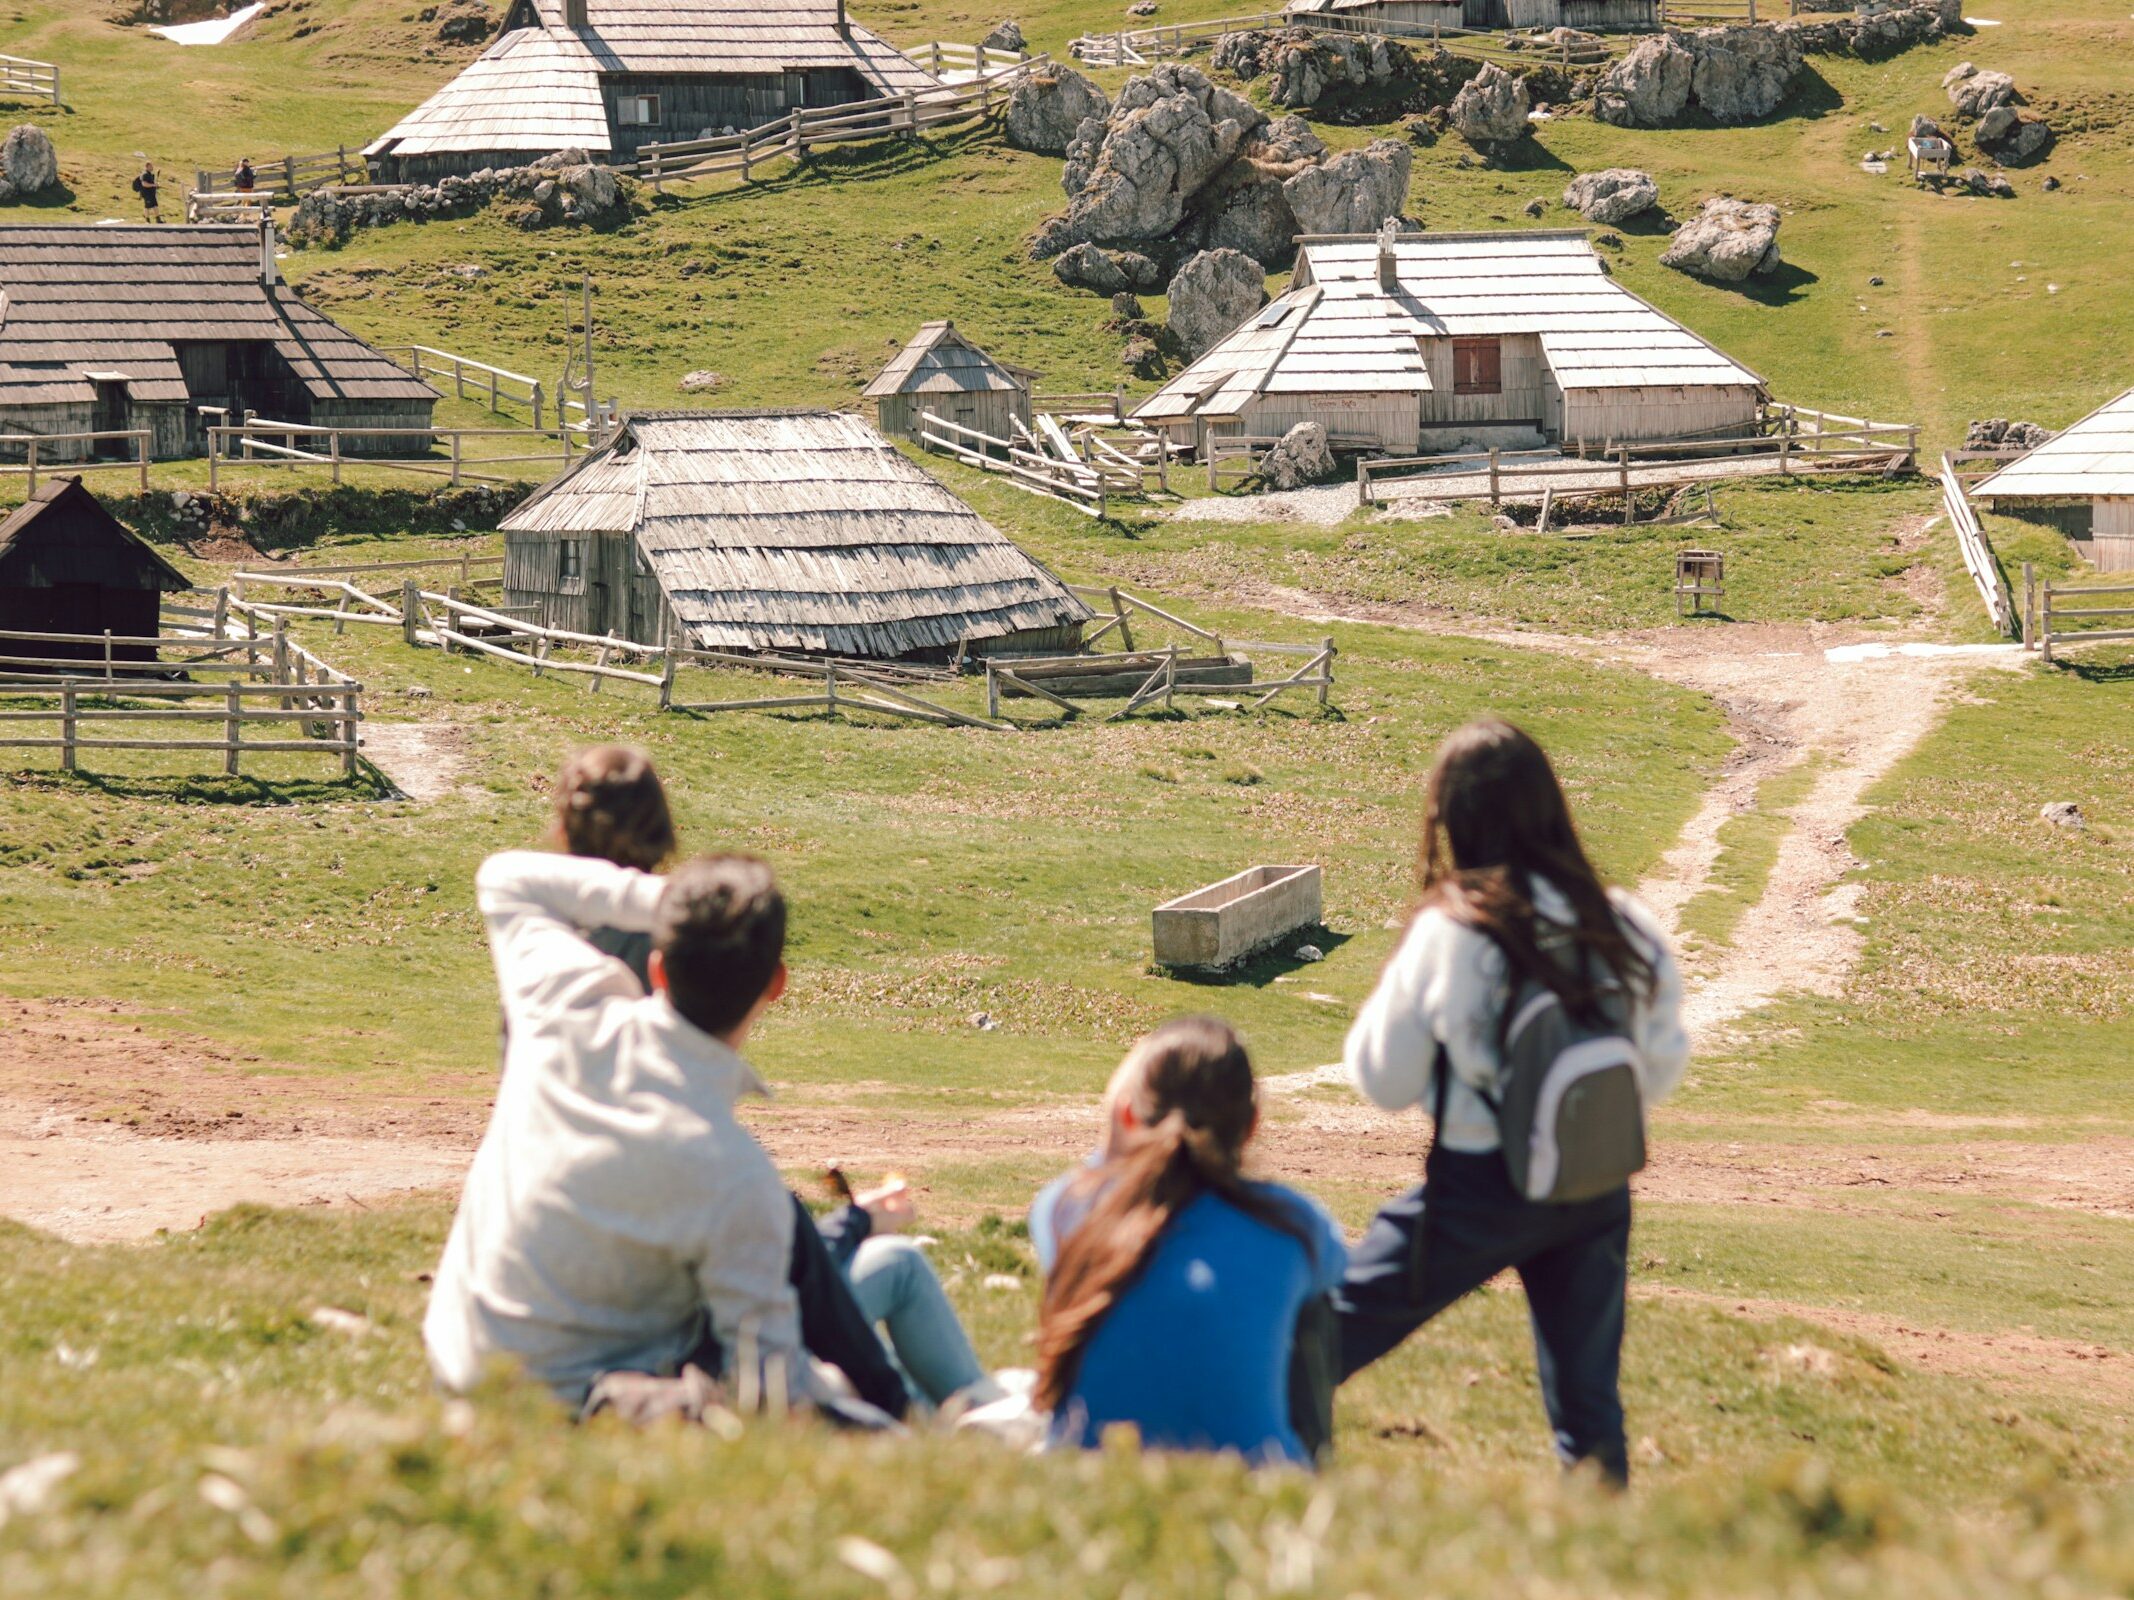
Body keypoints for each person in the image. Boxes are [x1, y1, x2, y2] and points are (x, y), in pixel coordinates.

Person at [538, 745, 987, 1413]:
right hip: (677, 1337)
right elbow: (773, 1253)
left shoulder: (543, 968)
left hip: (580, 1294)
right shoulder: (697, 1133)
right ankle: (945, 1419)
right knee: (881, 1309)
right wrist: (857, 1220)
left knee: (883, 1277)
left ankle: (951, 1409)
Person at [1334, 718, 1690, 1486]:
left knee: (1324, 1338)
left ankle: (1250, 1474)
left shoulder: (1454, 932)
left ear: (1450, 819)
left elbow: (1381, 1080)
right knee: (1589, 1409)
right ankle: (1601, 1560)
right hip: (1594, 1182)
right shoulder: (1620, 919)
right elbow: (1657, 1066)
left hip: (1479, 1187)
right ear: (1551, 805)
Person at [425, 846, 807, 1414]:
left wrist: (679, 905)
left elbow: (506, 876)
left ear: (657, 966)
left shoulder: (565, 1011)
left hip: (462, 1364)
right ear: (775, 984)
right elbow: (769, 1382)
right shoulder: (740, 1177)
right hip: (585, 1405)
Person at [1031, 1017, 1346, 1465]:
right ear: (1252, 1125)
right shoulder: (1296, 1223)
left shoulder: (1066, 1208)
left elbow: (1105, 1162)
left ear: (1125, 1115)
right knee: (1312, 1307)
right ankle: (1312, 1480)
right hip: (1256, 1496)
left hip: (1090, 1486)